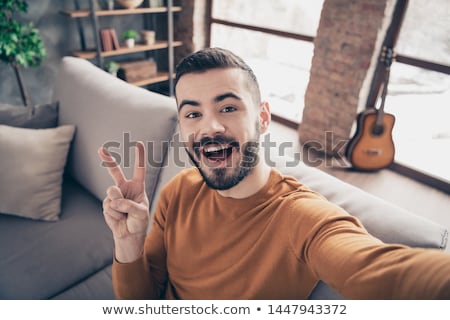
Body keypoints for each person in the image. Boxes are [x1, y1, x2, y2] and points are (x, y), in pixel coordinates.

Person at [98, 47, 450, 299]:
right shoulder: (179, 190)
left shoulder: (302, 216)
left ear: (262, 118)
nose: (210, 127)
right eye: (193, 114)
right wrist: (128, 242)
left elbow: (377, 272)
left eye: (228, 107)